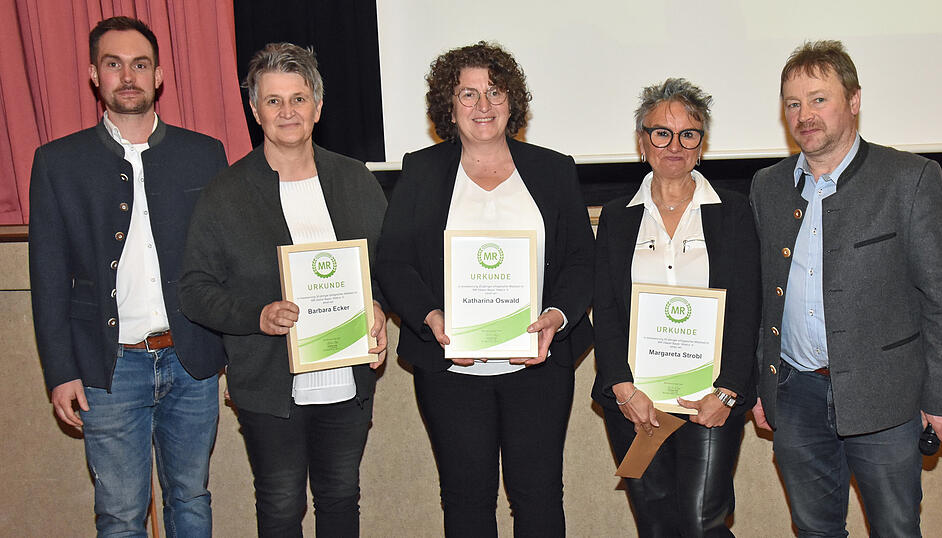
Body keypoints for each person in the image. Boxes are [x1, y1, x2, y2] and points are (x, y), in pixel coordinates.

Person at [375, 41, 594, 536]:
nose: (483, 106)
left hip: (538, 364)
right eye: (467, 94)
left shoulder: (553, 169)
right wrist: (430, 315)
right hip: (452, 369)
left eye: (494, 92)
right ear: (447, 107)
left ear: (511, 100)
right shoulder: (423, 170)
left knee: (539, 499)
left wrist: (557, 316)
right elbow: (394, 261)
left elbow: (582, 260)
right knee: (466, 501)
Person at [27, 16, 227, 536]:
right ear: (95, 75)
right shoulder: (56, 163)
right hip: (108, 369)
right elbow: (47, 279)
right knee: (119, 513)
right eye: (113, 65)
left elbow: (225, 264)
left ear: (159, 75)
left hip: (192, 363)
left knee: (192, 498)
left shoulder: (204, 155)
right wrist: (60, 371)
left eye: (140, 65)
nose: (128, 76)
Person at [178, 42, 387, 537]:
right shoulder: (226, 192)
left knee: (341, 499)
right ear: (255, 110)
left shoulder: (354, 179)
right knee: (279, 505)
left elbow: (391, 265)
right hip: (269, 385)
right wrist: (258, 314)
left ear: (317, 106)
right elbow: (194, 289)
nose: (287, 111)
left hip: (346, 380)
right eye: (273, 101)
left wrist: (377, 306)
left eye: (298, 98)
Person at [750, 40, 942, 537]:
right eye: (793, 103)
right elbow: (761, 298)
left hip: (887, 399)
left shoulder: (910, 179)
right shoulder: (767, 186)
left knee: (896, 530)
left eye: (819, 99)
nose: (804, 114)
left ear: (854, 101)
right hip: (795, 394)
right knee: (815, 530)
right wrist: (762, 385)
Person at [590, 78, 760, 536]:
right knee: (655, 523)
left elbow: (747, 307)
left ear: (702, 145)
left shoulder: (735, 212)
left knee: (704, 522)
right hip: (636, 401)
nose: (675, 145)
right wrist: (621, 388)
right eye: (661, 132)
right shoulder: (616, 215)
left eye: (689, 134)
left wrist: (728, 391)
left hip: (710, 399)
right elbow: (605, 309)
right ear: (642, 141)